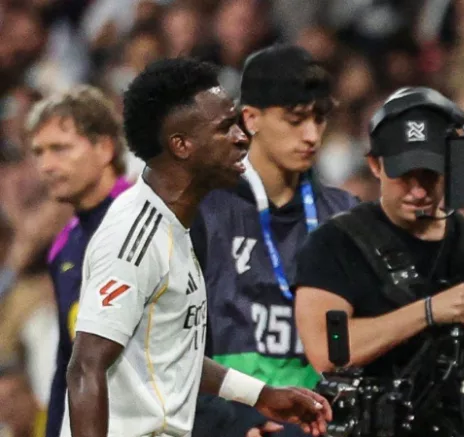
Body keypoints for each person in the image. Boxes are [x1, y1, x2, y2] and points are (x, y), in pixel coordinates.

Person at [62, 57, 331, 437]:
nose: (242, 137)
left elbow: (171, 354)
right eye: (225, 128)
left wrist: (260, 395)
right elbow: (85, 367)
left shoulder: (177, 226)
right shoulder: (133, 237)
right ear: (182, 145)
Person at [294, 87, 464, 437]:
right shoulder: (336, 244)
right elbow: (328, 352)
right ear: (375, 165)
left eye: (429, 175)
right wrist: (430, 311)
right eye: (405, 176)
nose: (418, 191)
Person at [191, 44, 357, 437]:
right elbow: (171, 346)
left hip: (324, 425)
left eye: (320, 119)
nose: (311, 135)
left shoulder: (346, 215)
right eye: (295, 120)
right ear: (251, 118)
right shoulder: (203, 211)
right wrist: (232, 422)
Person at [23, 85, 132, 437]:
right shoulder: (63, 248)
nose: (46, 166)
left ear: (105, 148)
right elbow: (68, 363)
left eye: (60, 149)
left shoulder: (149, 223)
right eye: (39, 152)